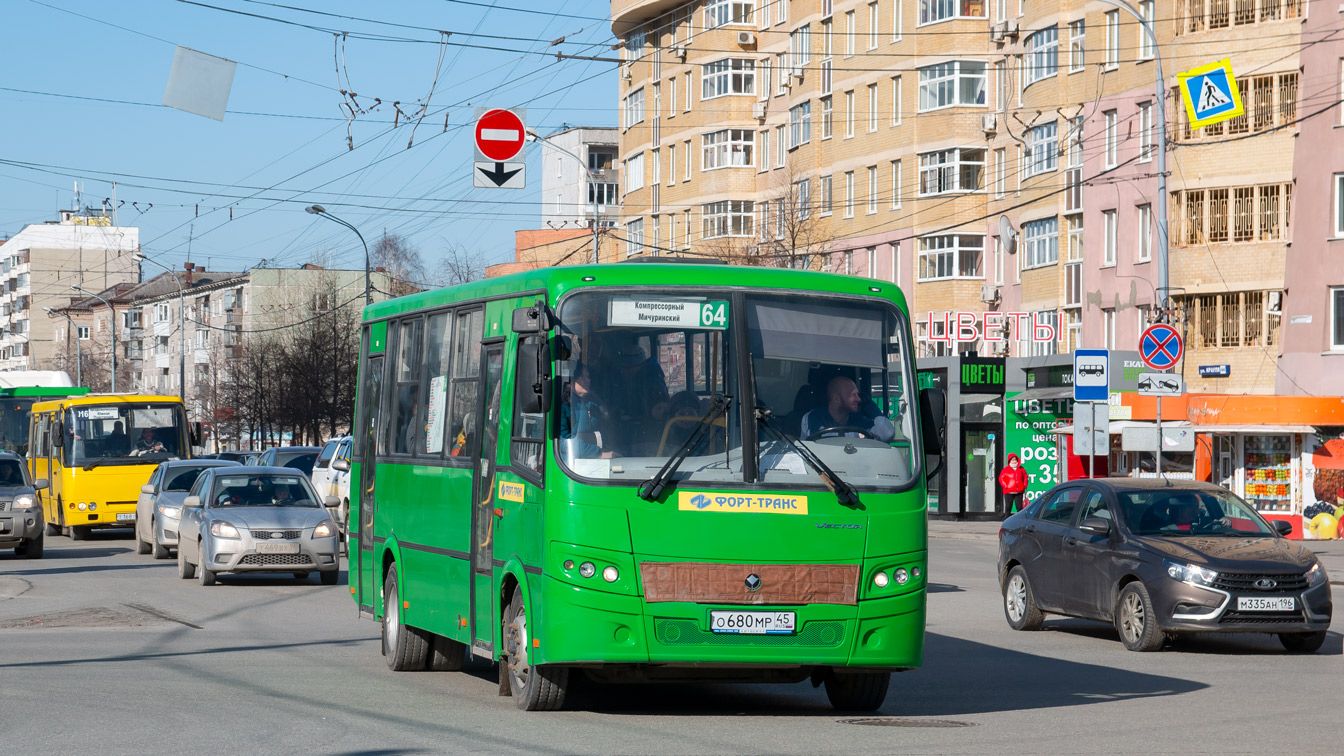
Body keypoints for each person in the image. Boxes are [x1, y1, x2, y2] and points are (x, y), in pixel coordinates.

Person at [799, 376, 895, 442]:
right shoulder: (814, 419)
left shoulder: (860, 420)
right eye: (853, 395)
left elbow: (887, 433)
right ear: (836, 399)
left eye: (858, 394)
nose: (858, 399)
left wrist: (870, 406)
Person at [560, 363, 614, 459]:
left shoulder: (590, 402)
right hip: (571, 464)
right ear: (572, 379)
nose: (588, 380)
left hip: (593, 459)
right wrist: (599, 453)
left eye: (588, 377)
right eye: (584, 377)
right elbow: (563, 440)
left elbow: (606, 425)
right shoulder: (563, 405)